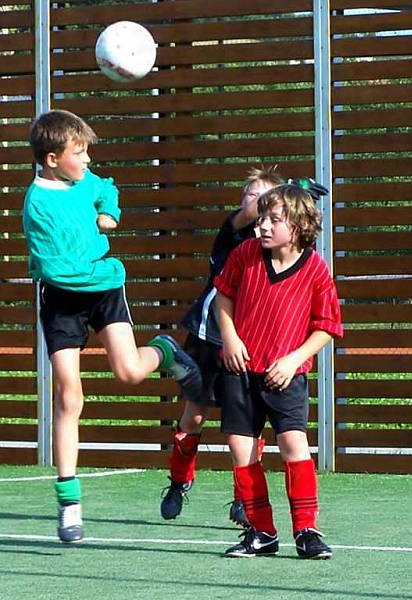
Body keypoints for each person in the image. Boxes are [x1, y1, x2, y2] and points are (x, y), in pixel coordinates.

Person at [22, 109, 202, 543]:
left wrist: (110, 213)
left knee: (128, 373)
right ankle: (69, 503)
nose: (86, 160)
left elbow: (107, 187)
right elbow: (59, 269)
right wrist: (96, 262)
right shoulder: (38, 205)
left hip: (104, 286)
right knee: (69, 396)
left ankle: (164, 350)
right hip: (65, 296)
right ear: (51, 159)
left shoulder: (84, 180)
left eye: (86, 152)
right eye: (78, 153)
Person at [213, 179, 343, 559]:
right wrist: (231, 338)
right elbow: (223, 295)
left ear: (300, 226)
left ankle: (306, 530)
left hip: (286, 376)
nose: (263, 227)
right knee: (241, 447)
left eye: (274, 219)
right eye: (261, 219)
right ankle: (262, 531)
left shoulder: (316, 270)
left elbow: (327, 327)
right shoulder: (245, 255)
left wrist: (292, 360)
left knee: (292, 443)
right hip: (240, 371)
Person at [160, 167, 284, 526]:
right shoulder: (232, 234)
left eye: (264, 196)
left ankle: (243, 500)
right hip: (207, 339)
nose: (255, 202)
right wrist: (290, 190)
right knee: (194, 416)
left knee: (246, 428)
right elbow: (252, 212)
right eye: (250, 195)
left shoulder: (274, 245)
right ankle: (179, 482)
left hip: (247, 344)